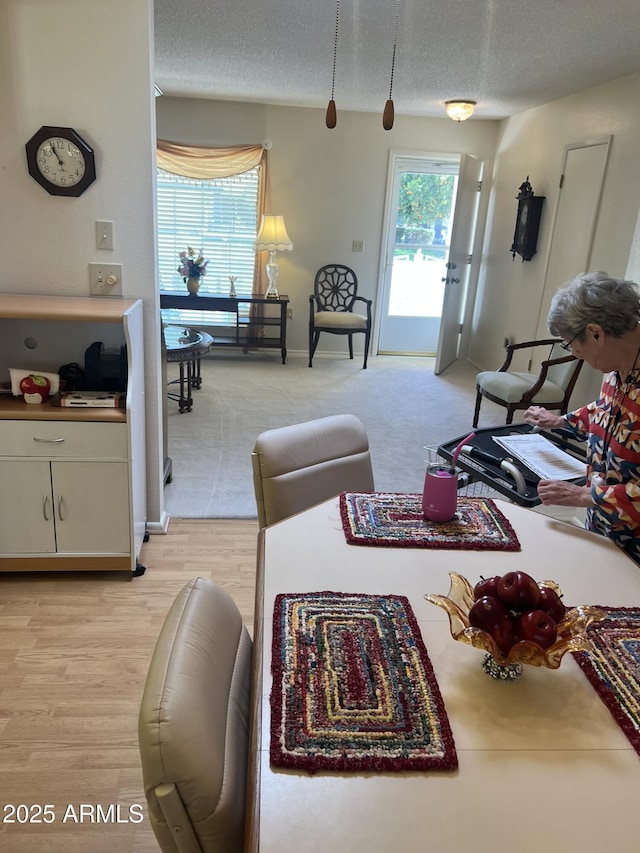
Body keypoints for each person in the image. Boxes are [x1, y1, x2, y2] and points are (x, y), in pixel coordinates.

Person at [524, 270, 640, 564]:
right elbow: (608, 410)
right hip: (603, 527)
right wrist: (560, 421)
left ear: (596, 333)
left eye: (574, 347)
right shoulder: (617, 366)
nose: (578, 356)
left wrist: (584, 497)